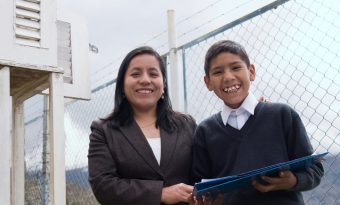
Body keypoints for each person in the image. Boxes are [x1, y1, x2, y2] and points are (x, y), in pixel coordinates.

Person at [191, 40, 324, 205]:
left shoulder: (282, 115)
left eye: (236, 67)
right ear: (208, 82)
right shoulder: (205, 131)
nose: (228, 77)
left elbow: (314, 169)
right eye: (218, 72)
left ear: (251, 72)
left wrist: (293, 180)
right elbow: (200, 186)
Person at [88, 46, 196, 205]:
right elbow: (103, 185)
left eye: (153, 74)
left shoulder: (186, 125)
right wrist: (160, 193)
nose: (145, 80)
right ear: (122, 85)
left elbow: (201, 175)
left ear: (163, 84)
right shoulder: (103, 130)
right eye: (135, 74)